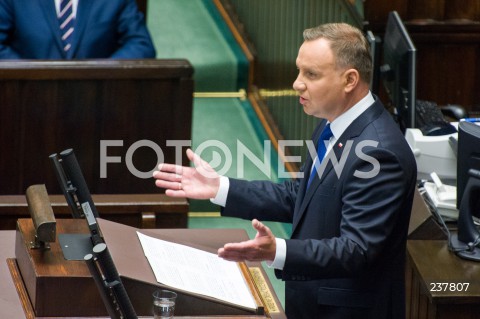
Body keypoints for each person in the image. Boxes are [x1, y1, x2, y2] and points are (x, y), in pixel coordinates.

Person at [153, 23, 416, 319]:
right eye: (299, 71)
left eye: (311, 74)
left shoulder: (380, 153)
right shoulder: (333, 124)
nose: (296, 84)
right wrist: (221, 188)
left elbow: (355, 249)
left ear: (349, 80)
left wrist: (277, 250)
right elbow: (299, 196)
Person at [0, 0, 156, 59]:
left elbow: (141, 44)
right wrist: (32, 75)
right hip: (26, 104)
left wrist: (100, 73)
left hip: (99, 105)